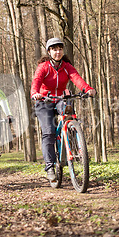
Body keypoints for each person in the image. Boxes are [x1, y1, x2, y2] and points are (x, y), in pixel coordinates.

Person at [31, 38, 96, 182]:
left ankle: (73, 144)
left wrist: (88, 89)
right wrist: (35, 93)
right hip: (44, 100)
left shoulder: (67, 66)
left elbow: (77, 79)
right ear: (49, 52)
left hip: (61, 98)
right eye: (54, 49)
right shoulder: (43, 66)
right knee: (48, 132)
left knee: (70, 116)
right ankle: (50, 167)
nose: (57, 52)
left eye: (60, 49)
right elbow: (36, 81)